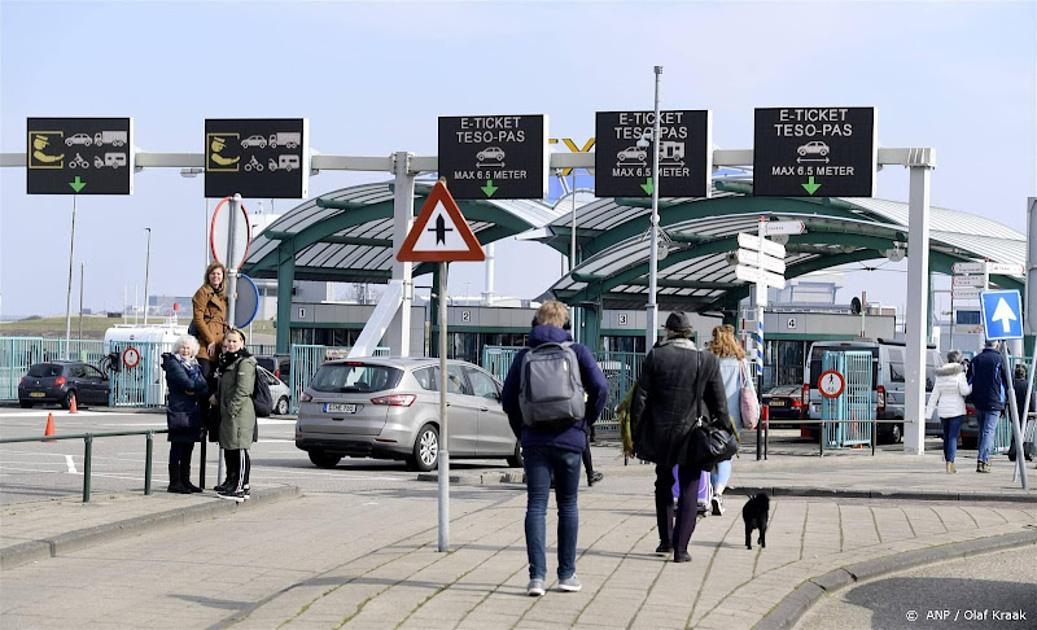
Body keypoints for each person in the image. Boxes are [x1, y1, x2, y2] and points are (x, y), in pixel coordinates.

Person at [503, 301, 608, 597]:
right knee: (568, 505)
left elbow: (508, 400)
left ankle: (536, 578)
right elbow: (600, 388)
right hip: (570, 440)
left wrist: (522, 432)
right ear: (564, 323)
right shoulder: (577, 352)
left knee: (536, 505)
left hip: (535, 441)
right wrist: (585, 423)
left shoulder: (524, 355)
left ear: (536, 323)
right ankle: (567, 574)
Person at [630, 312, 728, 563]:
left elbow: (639, 399)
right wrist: (725, 429)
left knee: (663, 482)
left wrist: (635, 434)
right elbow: (719, 403)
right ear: (690, 333)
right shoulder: (705, 360)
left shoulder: (656, 356)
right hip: (693, 434)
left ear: (668, 332)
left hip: (661, 433)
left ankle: (666, 540)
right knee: (689, 487)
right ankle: (681, 548)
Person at [704, 324, 751, 515]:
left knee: (707, 455)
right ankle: (718, 492)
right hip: (732, 419)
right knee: (725, 456)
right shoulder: (741, 362)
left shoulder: (707, 359)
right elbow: (748, 388)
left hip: (709, 414)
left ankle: (705, 495)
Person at [212, 328, 257, 501]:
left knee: (239, 448)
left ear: (242, 343)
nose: (231, 344)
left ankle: (240, 486)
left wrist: (232, 408)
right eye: (228, 341)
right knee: (230, 447)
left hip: (239, 413)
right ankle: (231, 481)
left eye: (234, 341)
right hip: (228, 412)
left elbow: (243, 389)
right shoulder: (226, 361)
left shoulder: (244, 362)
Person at [160, 335, 208, 493]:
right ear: (177, 348)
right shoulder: (174, 364)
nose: (185, 350)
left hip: (192, 411)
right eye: (183, 347)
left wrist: (196, 388)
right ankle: (175, 482)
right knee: (178, 448)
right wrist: (195, 387)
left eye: (188, 348)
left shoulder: (193, 365)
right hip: (179, 410)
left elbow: (203, 386)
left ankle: (185, 480)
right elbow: (187, 384)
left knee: (188, 447)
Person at [192, 262, 227, 446]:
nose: (216, 277)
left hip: (220, 345)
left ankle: (213, 427)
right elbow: (198, 318)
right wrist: (209, 339)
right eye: (213, 274)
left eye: (219, 274)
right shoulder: (202, 293)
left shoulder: (222, 296)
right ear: (208, 275)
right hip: (207, 346)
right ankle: (201, 425)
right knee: (204, 383)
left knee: (216, 384)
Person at [925, 350, 972, 473]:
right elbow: (964, 391)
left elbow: (935, 395)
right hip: (956, 409)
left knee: (946, 436)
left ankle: (948, 461)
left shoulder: (941, 374)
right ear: (959, 360)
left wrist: (928, 413)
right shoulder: (960, 374)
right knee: (953, 437)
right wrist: (971, 385)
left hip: (943, 410)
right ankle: (950, 462)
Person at [969, 339, 1006, 473]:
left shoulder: (976, 360)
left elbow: (969, 380)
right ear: (997, 344)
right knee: (988, 431)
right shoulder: (1000, 360)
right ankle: (983, 460)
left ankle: (983, 458)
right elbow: (1007, 382)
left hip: (978, 401)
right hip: (994, 401)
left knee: (982, 431)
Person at [1010, 363, 1035, 463]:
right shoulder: (1028, 385)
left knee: (1015, 431)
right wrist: (1033, 411)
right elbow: (1032, 399)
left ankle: (1013, 451)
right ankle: (1022, 451)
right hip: (1026, 411)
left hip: (1014, 410)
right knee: (1024, 433)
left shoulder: (1012, 385)